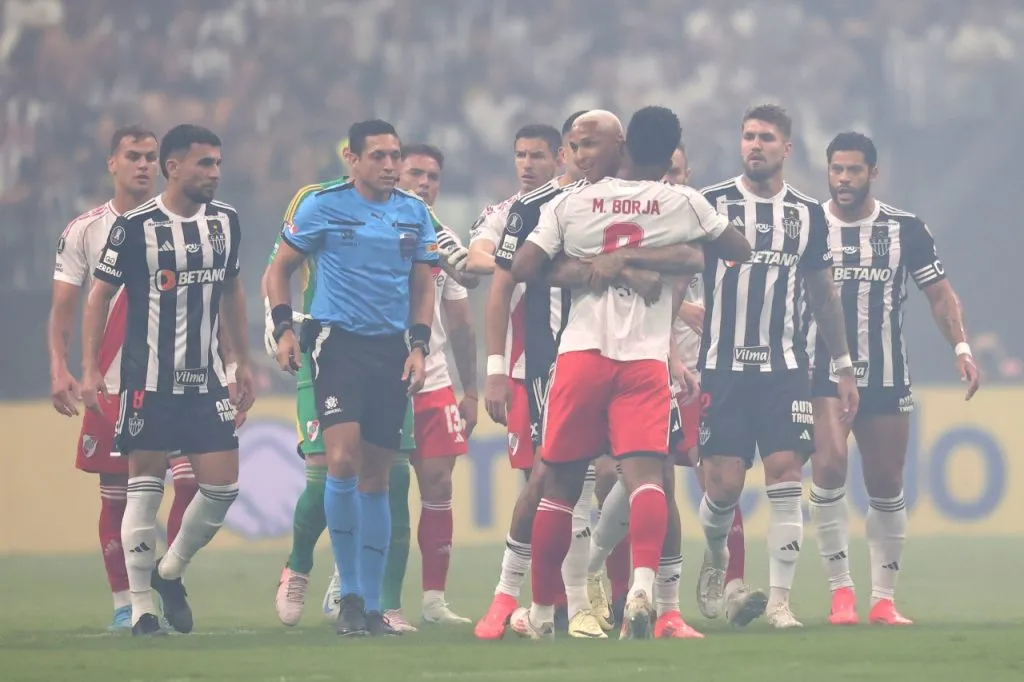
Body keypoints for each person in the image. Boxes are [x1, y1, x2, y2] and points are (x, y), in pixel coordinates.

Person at [508, 107, 728, 639]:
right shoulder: (675, 203)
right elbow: (716, 253)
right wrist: (644, 258)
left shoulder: (572, 203)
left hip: (584, 354)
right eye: (575, 146)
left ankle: (544, 612)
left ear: (620, 145)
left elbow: (524, 267)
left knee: (561, 485)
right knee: (647, 479)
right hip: (645, 357)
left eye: (588, 145)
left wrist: (609, 260)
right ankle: (643, 591)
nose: (581, 155)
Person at [265, 119, 439, 637]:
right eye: (379, 156)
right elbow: (278, 269)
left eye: (395, 156)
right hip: (336, 344)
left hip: (391, 349)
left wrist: (419, 345)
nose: (390, 165)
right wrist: (283, 328)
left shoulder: (414, 212)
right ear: (352, 158)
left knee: (378, 477)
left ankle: (371, 603)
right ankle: (351, 599)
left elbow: (423, 285)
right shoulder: (321, 205)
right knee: (340, 461)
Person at [80, 124, 255, 637]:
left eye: (218, 163)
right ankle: (141, 609)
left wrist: (241, 361)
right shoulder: (135, 226)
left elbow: (232, 291)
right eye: (205, 163)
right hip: (148, 382)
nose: (215, 173)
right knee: (145, 490)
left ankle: (170, 570)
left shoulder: (226, 221)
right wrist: (90, 367)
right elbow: (99, 295)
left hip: (205, 381)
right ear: (173, 167)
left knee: (223, 488)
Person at [806, 132, 979, 626]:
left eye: (853, 170)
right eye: (836, 170)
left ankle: (883, 600)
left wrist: (961, 348)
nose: (843, 179)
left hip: (886, 375)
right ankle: (842, 593)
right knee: (830, 465)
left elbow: (941, 295)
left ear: (873, 174)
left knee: (885, 482)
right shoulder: (809, 225)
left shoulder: (906, 229)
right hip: (822, 371)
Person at [696, 104, 859, 630]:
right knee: (723, 486)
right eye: (748, 136)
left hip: (785, 367)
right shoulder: (711, 204)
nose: (755, 145)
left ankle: (781, 603)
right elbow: (682, 278)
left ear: (786, 148)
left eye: (766, 137)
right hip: (721, 366)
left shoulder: (807, 214)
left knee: (787, 473)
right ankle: (716, 554)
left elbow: (823, 293)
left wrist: (842, 365)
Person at [48, 125, 201, 631]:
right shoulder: (85, 230)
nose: (142, 165)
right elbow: (64, 308)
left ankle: (168, 573)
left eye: (150, 156)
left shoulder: (187, 221)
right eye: (132, 156)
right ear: (112, 163)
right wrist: (61, 366)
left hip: (178, 380)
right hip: (113, 384)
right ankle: (124, 601)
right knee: (116, 493)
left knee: (193, 481)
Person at [474, 115, 598, 640]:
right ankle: (511, 594)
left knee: (610, 481)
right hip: (547, 365)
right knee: (547, 481)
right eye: (520, 155)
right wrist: (495, 371)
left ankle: (584, 600)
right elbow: (499, 287)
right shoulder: (527, 210)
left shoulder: (616, 203)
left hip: (607, 359)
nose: (526, 164)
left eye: (536, 155)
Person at [381, 143, 478, 631]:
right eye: (414, 173)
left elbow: (459, 321)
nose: (424, 183)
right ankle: (360, 584)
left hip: (433, 377)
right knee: (381, 487)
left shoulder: (444, 239)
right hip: (380, 375)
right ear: (394, 175)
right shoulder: (375, 228)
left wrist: (472, 390)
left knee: (438, 483)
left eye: (432, 176)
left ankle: (434, 599)